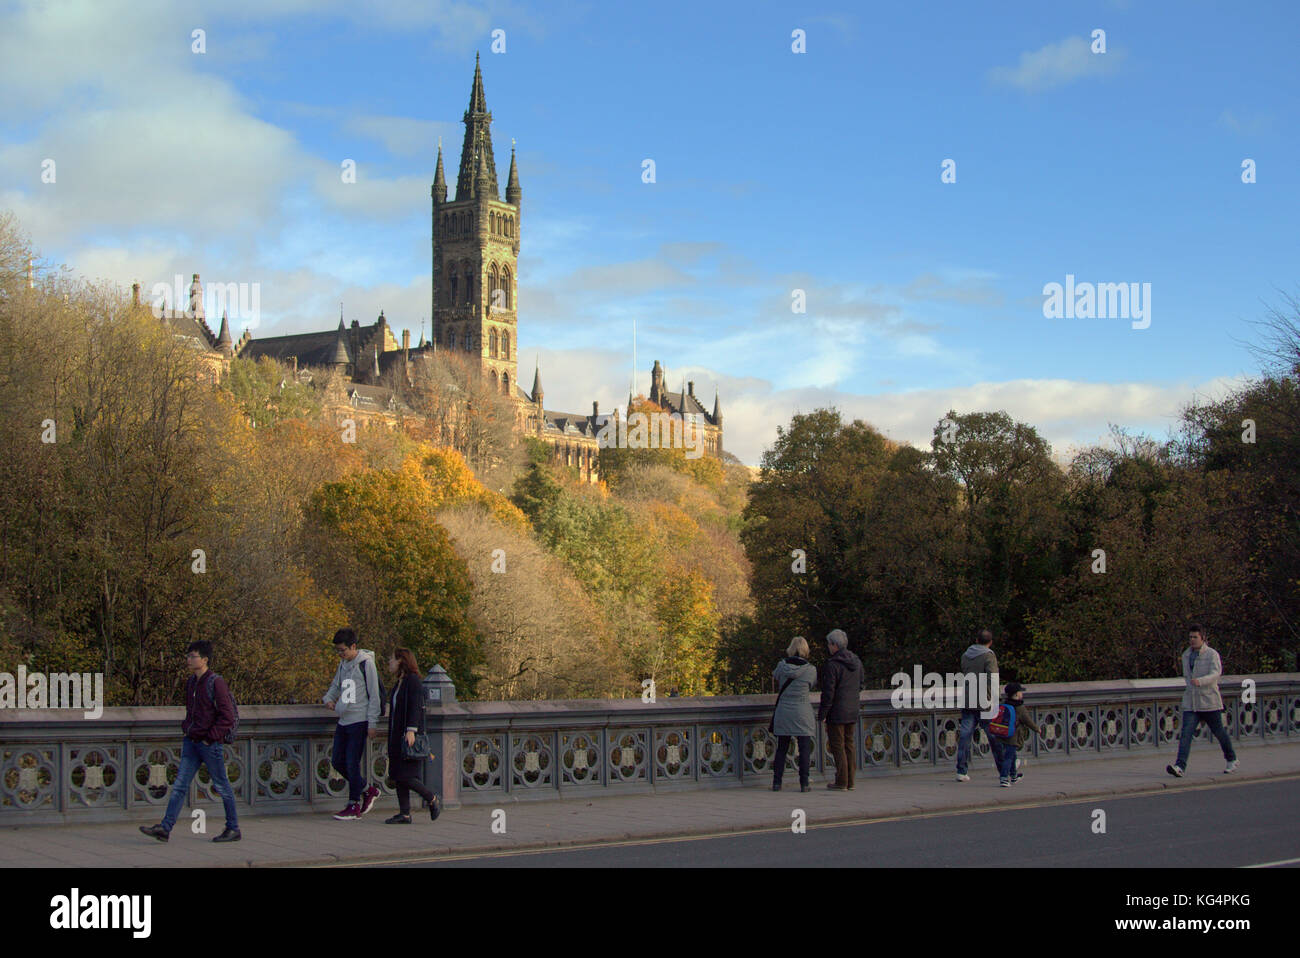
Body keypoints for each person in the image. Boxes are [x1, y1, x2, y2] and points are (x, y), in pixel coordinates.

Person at [138, 641, 241, 843]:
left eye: (193, 656)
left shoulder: (215, 682)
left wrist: (209, 738)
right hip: (192, 742)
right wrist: (187, 729)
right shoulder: (191, 682)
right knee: (179, 786)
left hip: (209, 745)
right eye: (188, 656)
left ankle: (233, 828)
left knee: (222, 786)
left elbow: (227, 716)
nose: (189, 659)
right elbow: (191, 712)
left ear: (204, 659)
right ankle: (165, 828)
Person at [323, 628, 381, 820]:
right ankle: (368, 789)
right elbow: (336, 685)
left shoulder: (366, 664)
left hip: (359, 720)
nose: (340, 654)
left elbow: (374, 695)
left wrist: (372, 722)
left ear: (353, 647)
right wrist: (329, 699)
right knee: (337, 761)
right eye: (338, 651)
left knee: (352, 762)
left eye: (343, 650)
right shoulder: (343, 665)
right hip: (344, 719)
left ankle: (353, 804)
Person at [1167, 624, 1238, 777]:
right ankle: (1180, 766)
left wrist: (1201, 681)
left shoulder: (1212, 654)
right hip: (1191, 703)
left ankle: (1231, 759)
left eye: (1195, 637)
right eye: (1190, 637)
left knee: (1219, 732)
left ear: (1203, 638)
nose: (1192, 640)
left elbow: (1216, 673)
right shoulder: (1186, 655)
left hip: (1208, 701)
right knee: (1186, 734)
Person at [384, 648, 440, 824]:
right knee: (397, 774)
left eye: (392, 659)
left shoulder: (413, 681)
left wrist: (411, 730)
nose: (389, 663)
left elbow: (415, 706)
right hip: (396, 734)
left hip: (407, 735)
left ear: (401, 661)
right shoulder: (399, 683)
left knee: (406, 776)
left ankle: (431, 798)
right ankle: (405, 813)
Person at [817, 629, 863, 790]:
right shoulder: (856, 661)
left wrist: (822, 714)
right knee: (849, 744)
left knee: (838, 745)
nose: (828, 647)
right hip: (852, 709)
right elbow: (861, 684)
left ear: (834, 645)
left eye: (829, 644)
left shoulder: (832, 665)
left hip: (837, 711)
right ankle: (850, 781)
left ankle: (841, 781)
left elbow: (828, 693)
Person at [771, 636, 818, 793]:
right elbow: (811, 684)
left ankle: (777, 782)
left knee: (782, 748)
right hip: (802, 711)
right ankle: (804, 783)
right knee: (804, 748)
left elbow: (775, 676)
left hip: (784, 710)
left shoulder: (781, 666)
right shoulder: (810, 670)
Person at [955, 629, 999, 782]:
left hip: (968, 699)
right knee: (994, 735)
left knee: (965, 735)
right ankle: (1005, 767)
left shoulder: (965, 656)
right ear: (990, 642)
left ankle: (961, 770)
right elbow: (992, 679)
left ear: (976, 639)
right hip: (984, 701)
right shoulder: (988, 656)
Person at [994, 682, 1041, 786]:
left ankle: (1014, 776)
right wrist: (1037, 729)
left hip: (1002, 735)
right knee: (1008, 758)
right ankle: (1004, 778)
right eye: (1020, 692)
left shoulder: (1004, 704)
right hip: (1013, 736)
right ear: (1016, 695)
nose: (1022, 694)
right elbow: (1027, 721)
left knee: (1012, 755)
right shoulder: (1020, 708)